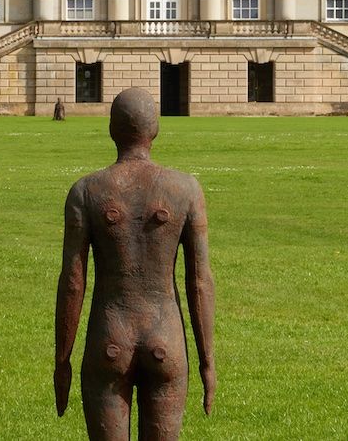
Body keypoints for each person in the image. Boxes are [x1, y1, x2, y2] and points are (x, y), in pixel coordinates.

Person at [54, 88, 215, 438]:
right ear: (155, 130)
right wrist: (207, 362)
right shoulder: (185, 190)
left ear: (111, 130)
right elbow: (199, 281)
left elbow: (72, 281)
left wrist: (62, 361)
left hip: (109, 335)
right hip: (165, 336)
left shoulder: (86, 191)